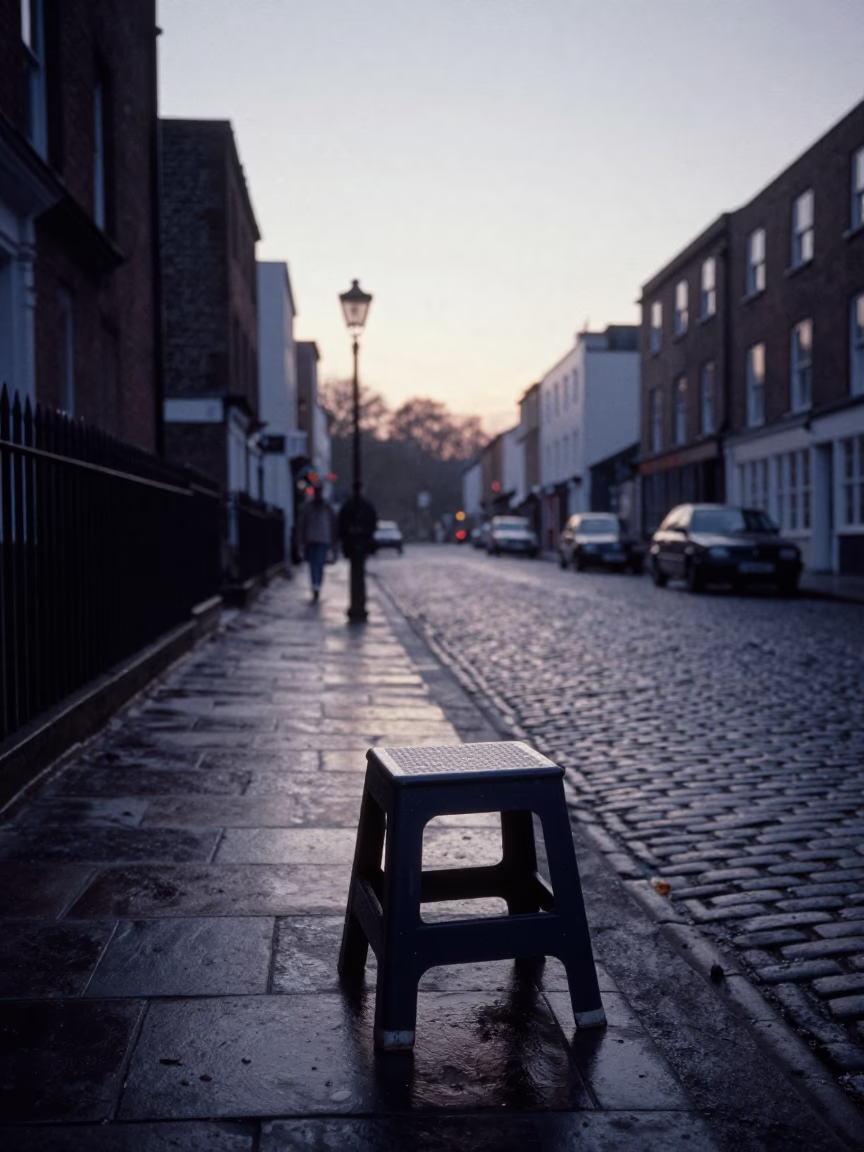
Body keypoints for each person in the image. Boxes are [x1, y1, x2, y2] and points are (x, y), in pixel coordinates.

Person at [297, 485, 338, 602]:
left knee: (317, 564)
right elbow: (302, 524)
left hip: (320, 539)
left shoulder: (324, 507)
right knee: (315, 564)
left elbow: (333, 523)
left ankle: (316, 585)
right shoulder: (314, 507)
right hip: (314, 538)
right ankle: (316, 585)